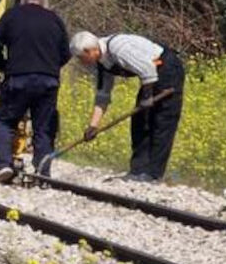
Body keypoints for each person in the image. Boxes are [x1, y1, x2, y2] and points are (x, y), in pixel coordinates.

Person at [70, 31, 186, 182]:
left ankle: (153, 174)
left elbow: (148, 70)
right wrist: (93, 126)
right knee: (140, 122)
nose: (81, 62)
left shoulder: (118, 48)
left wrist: (147, 97)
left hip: (166, 68)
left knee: (161, 122)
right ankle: (137, 171)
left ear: (90, 51)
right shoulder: (103, 63)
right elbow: (103, 95)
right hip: (151, 78)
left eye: (81, 57)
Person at [0, 0, 71, 182]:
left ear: (23, 2)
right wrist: (50, 67)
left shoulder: (12, 15)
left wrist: (3, 65)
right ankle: (43, 171)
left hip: (18, 77)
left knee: (3, 122)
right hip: (48, 80)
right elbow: (66, 52)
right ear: (44, 3)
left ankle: (3, 164)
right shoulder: (55, 19)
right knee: (44, 127)